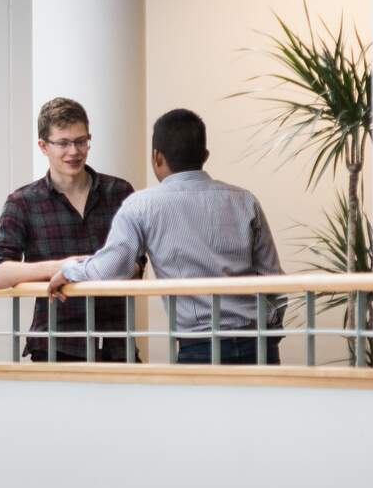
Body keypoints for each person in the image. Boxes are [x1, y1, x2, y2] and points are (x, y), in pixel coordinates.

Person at [50, 109, 285, 365]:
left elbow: (112, 269)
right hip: (259, 342)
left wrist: (70, 270)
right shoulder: (245, 200)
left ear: (157, 157)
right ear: (205, 156)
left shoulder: (141, 205)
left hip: (199, 345)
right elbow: (273, 278)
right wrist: (270, 331)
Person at [0, 97, 135, 361]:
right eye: (63, 143)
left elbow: (136, 264)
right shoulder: (23, 202)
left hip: (117, 343)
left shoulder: (119, 192)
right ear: (43, 146)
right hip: (55, 344)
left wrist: (83, 270)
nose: (74, 151)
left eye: (81, 141)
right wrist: (61, 268)